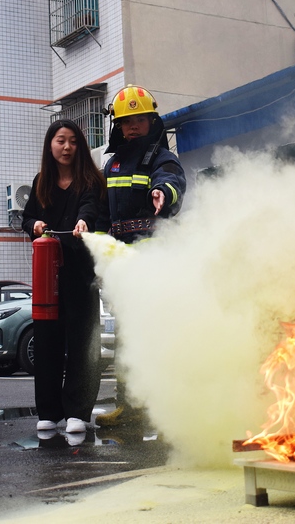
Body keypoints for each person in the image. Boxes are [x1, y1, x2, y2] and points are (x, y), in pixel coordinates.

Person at [94, 85, 186, 427]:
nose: (132, 126)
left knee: (157, 338)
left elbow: (171, 181)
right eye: (126, 121)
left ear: (152, 120)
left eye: (140, 119)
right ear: (117, 125)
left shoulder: (161, 158)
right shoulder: (112, 165)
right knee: (127, 341)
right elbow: (104, 217)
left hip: (154, 268)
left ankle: (165, 413)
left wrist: (164, 192)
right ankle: (129, 409)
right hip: (122, 269)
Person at [22, 120, 106, 435]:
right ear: (50, 145)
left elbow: (90, 208)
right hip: (48, 274)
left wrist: (84, 222)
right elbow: (27, 217)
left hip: (81, 272)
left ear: (80, 146)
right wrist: (35, 225)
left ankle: (78, 411)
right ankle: (49, 410)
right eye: (60, 141)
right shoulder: (41, 181)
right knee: (46, 342)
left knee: (84, 342)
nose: (67, 147)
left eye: (72, 141)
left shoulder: (91, 181)